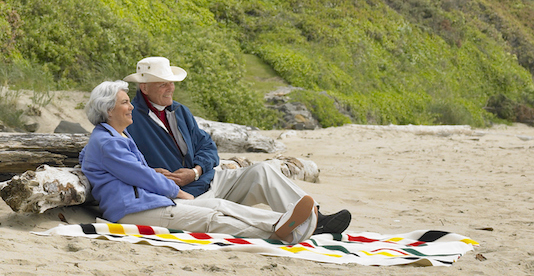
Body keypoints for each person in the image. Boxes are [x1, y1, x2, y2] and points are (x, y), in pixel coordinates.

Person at [122, 56, 351, 236]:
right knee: (222, 207)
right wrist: (161, 177)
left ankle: (316, 218)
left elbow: (209, 148)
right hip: (185, 198)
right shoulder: (130, 119)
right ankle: (292, 224)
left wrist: (196, 171)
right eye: (163, 84)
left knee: (263, 170)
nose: (170, 88)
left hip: (209, 181)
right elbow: (128, 165)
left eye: (171, 82)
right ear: (144, 88)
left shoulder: (180, 111)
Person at [82, 80, 318, 244]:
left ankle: (283, 221)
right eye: (124, 102)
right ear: (109, 110)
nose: (130, 106)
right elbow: (139, 175)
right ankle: (282, 233)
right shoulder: (109, 141)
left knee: (219, 206)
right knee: (211, 219)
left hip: (148, 200)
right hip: (135, 208)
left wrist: (193, 172)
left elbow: (128, 169)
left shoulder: (116, 136)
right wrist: (177, 191)